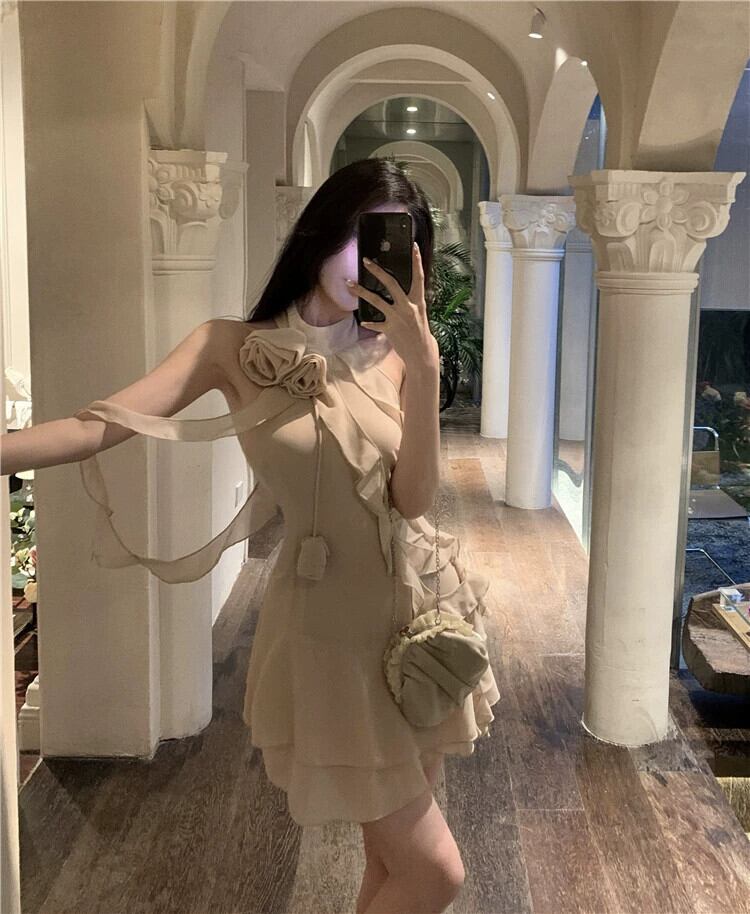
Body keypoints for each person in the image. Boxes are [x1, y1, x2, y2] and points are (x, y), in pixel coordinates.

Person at [1, 158, 500, 914]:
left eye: (392, 245)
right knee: (435, 873)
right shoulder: (228, 347)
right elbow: (97, 426)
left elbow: (414, 499)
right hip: (328, 630)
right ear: (321, 232)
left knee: (391, 861)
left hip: (416, 613)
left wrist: (425, 370)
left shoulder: (399, 356)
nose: (368, 264)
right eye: (359, 237)